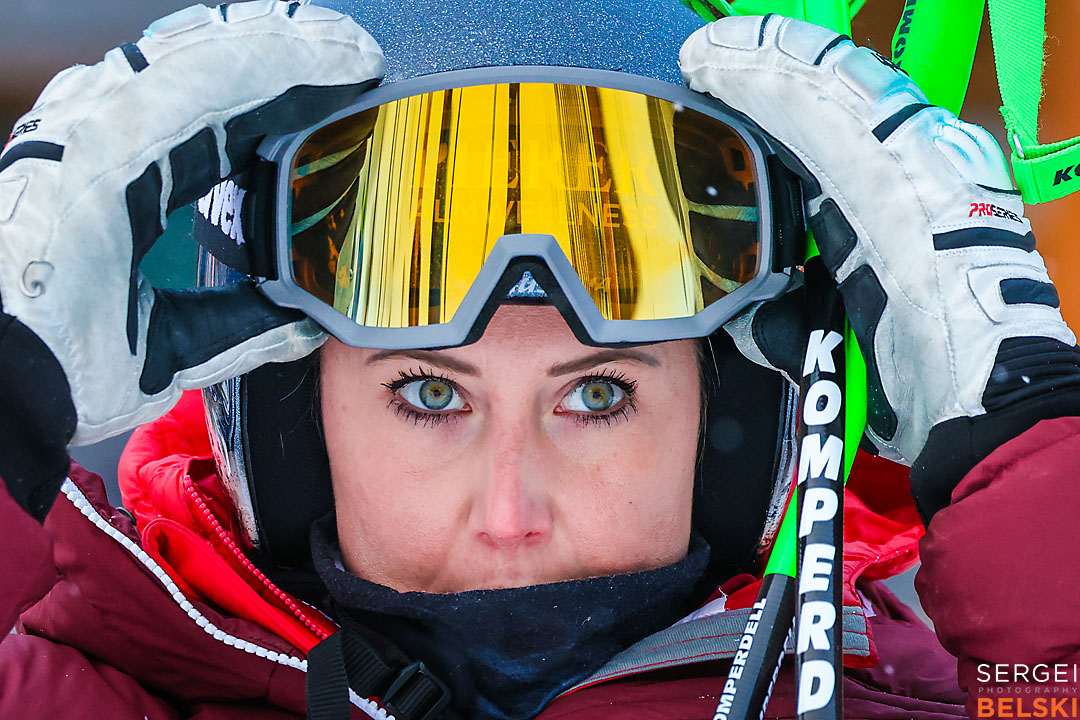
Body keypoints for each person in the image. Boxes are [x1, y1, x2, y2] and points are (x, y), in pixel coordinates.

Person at [2, 1, 1079, 719]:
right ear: (282, 414)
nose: (511, 515)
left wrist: (1027, 456)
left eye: (598, 393)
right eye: (428, 393)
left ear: (735, 426)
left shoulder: (977, 693)